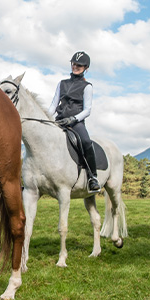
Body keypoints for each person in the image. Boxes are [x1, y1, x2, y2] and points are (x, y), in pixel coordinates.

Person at [48, 51, 100, 193]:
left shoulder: (87, 86)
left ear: (86, 68)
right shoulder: (62, 83)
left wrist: (73, 118)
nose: (76, 67)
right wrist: (46, 117)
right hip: (59, 121)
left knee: (86, 142)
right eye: (74, 64)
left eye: (80, 65)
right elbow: (53, 105)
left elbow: (87, 110)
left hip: (76, 123)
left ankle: (92, 177)